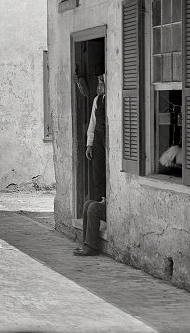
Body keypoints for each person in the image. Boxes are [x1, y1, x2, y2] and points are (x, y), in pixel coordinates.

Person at [75, 72, 106, 256]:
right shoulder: (98, 100)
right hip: (99, 141)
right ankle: (86, 243)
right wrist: (89, 144)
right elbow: (92, 124)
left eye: (102, 80)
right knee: (98, 173)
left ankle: (90, 245)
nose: (100, 84)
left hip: (109, 141)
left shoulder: (114, 99)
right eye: (99, 80)